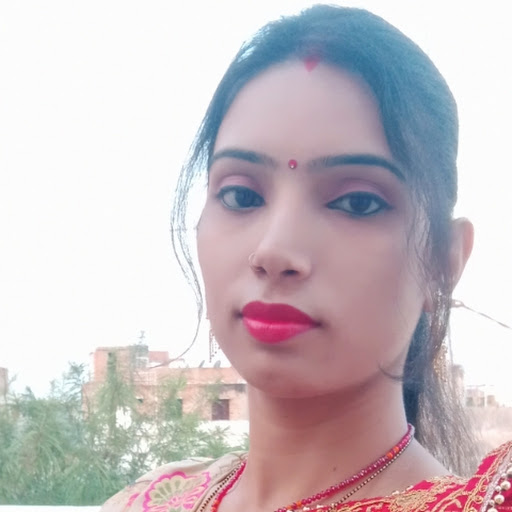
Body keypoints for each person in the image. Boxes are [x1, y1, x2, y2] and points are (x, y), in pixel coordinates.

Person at [101, 5, 512, 512]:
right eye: (241, 195)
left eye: (357, 202)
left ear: (442, 263)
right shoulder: (146, 500)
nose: (274, 251)